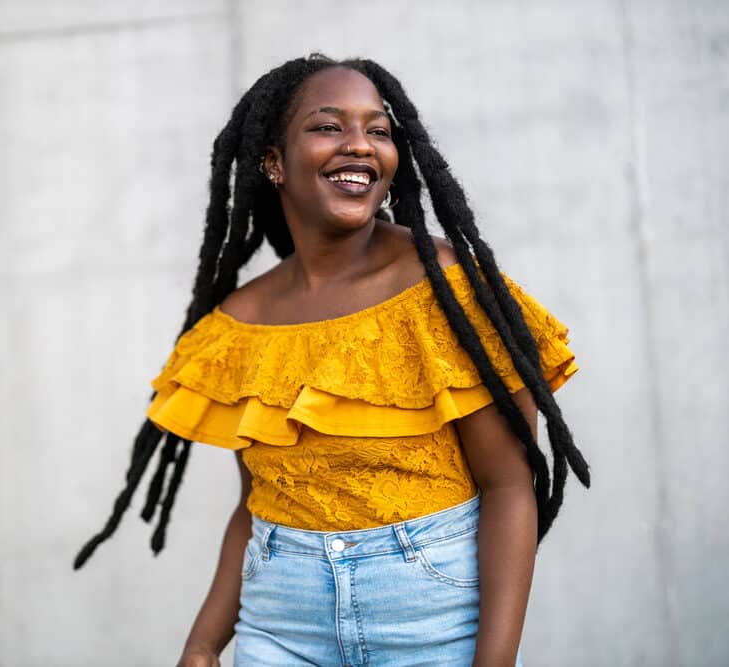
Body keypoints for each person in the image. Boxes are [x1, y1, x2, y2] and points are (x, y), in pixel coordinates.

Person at [73, 53, 590, 666]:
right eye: (328, 126)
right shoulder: (243, 324)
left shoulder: (448, 294)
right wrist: (204, 643)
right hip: (279, 627)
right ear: (273, 162)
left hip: (431, 626)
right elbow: (256, 506)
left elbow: (508, 488)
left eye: (378, 130)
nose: (360, 146)